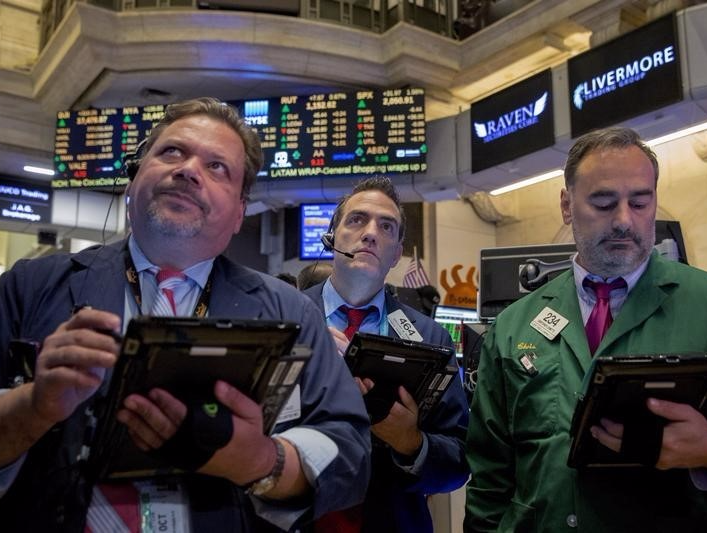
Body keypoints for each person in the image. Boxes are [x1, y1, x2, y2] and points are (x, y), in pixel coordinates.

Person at [0, 97, 371, 532]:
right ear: (134, 178)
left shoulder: (290, 313)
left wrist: (257, 460)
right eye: (172, 151)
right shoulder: (31, 285)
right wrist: (34, 406)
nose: (189, 170)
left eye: (218, 168)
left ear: (238, 213)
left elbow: (350, 454)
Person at [465, 126, 707, 532]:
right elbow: (490, 478)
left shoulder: (704, 304)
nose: (623, 220)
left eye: (640, 201)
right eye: (602, 202)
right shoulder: (513, 326)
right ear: (566, 205)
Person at [303, 176, 470, 532]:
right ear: (333, 238)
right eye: (357, 219)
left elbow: (459, 462)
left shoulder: (429, 337)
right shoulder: (288, 316)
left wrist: (410, 442)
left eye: (386, 226)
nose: (370, 233)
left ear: (396, 254)